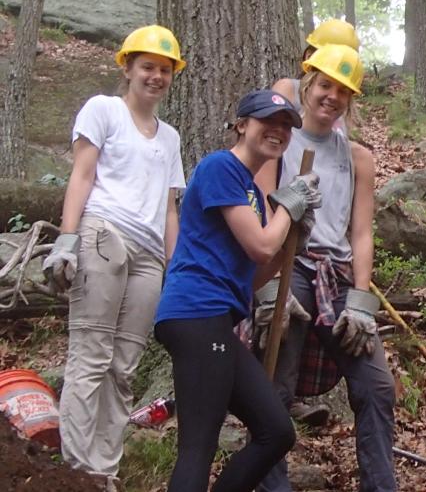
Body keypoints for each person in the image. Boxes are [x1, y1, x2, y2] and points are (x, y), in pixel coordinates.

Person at [41, 25, 187, 489]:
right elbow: (82, 176)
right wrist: (67, 238)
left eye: (165, 69)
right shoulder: (103, 110)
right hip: (103, 232)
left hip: (148, 254)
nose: (156, 76)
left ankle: (104, 472)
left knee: (123, 366)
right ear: (127, 68)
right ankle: (78, 472)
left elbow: (168, 210)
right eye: (148, 66)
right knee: (91, 355)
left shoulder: (171, 138)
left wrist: (177, 269)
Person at [153, 90, 320, 492]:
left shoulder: (254, 197)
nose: (278, 131)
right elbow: (260, 244)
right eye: (268, 121)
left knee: (276, 431)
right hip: (195, 312)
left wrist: (294, 240)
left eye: (286, 126)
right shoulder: (219, 168)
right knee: (198, 447)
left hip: (217, 320)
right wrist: (288, 209)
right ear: (242, 124)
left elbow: (255, 276)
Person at [255, 45, 396, 492]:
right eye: (325, 85)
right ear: (308, 84)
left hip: (335, 274)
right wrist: (267, 286)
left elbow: (360, 234)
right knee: (279, 378)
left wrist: (360, 300)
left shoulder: (357, 157)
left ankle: (380, 485)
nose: (331, 96)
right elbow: (258, 209)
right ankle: (272, 485)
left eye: (342, 91)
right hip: (288, 264)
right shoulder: (278, 139)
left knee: (376, 386)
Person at [273, 18, 359, 133]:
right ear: (309, 56)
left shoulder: (337, 106)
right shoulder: (288, 89)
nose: (333, 96)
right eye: (331, 57)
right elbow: (271, 130)